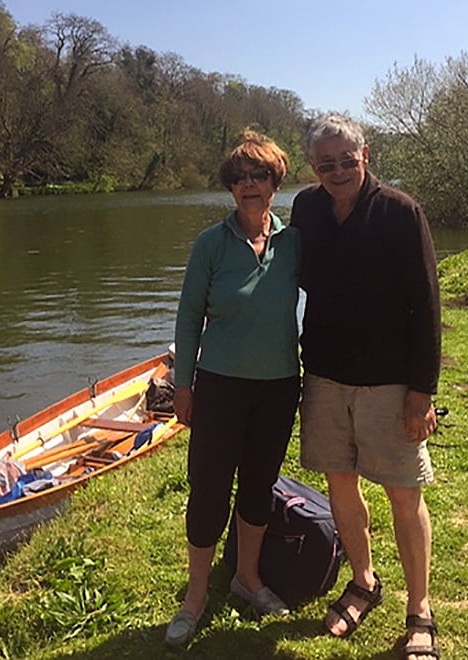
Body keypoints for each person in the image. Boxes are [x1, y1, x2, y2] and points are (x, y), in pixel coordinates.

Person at [290, 113, 441, 660]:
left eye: (346, 160)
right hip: (326, 375)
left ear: (366, 155)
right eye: (325, 163)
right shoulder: (306, 208)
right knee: (340, 485)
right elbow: (290, 276)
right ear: (313, 166)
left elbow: (426, 303)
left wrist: (421, 390)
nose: (336, 170)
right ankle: (364, 581)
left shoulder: (402, 212)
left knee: (404, 494)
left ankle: (420, 609)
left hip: (390, 380)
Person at [165, 132, 301, 647]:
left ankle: (248, 579)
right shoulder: (209, 244)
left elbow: (336, 292)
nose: (249, 185)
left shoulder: (294, 243)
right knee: (208, 492)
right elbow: (187, 319)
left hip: (279, 386)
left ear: (275, 183)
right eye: (239, 178)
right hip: (220, 387)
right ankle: (195, 597)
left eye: (259, 176)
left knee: (259, 488)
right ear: (229, 187)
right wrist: (184, 385)